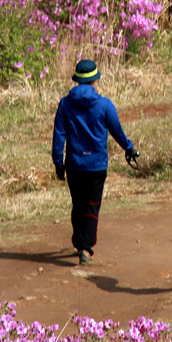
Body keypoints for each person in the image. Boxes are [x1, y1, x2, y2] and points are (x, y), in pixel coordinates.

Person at [52, 58, 138, 265]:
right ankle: (85, 248)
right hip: (96, 166)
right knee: (91, 206)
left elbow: (59, 135)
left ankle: (79, 241)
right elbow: (117, 131)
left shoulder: (65, 104)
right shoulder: (105, 105)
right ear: (95, 80)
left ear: (76, 80)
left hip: (74, 165)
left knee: (78, 205)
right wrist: (129, 148)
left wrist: (58, 162)